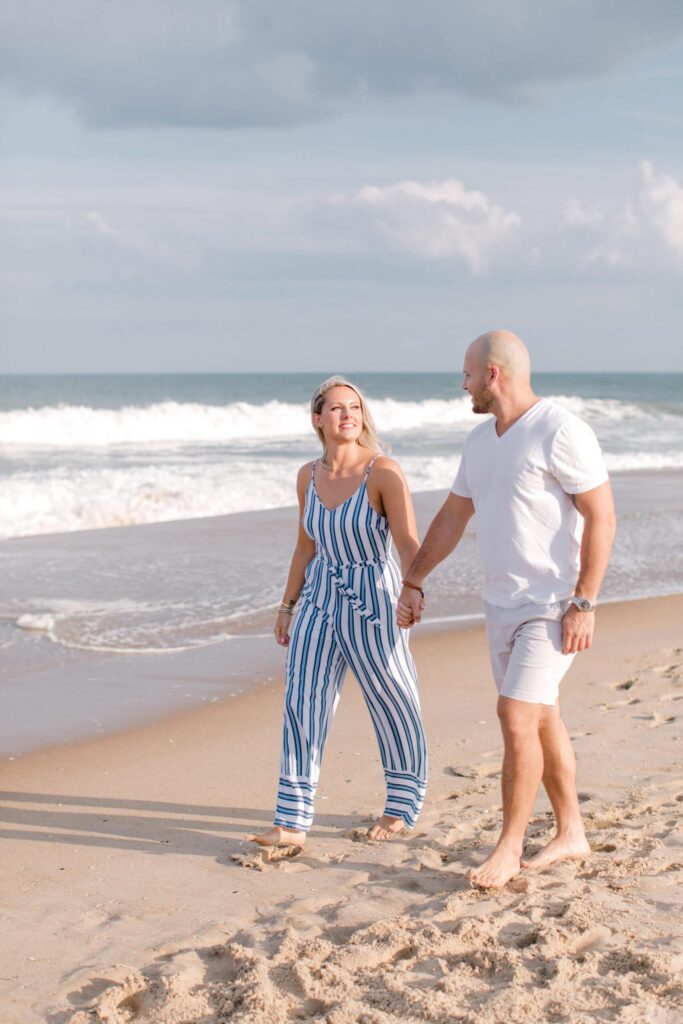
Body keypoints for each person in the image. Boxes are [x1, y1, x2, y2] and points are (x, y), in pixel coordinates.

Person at [397, 331, 616, 888]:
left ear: (493, 374)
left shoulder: (560, 429)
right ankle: (571, 832)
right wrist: (414, 579)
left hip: (552, 605)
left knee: (515, 714)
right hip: (500, 605)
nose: (463, 384)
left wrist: (584, 601)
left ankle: (509, 847)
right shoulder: (479, 440)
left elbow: (602, 516)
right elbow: (452, 518)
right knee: (541, 718)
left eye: (467, 374)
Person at [253, 376, 428, 849]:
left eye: (354, 407)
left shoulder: (383, 472)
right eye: (336, 408)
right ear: (318, 419)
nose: (347, 414)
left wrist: (413, 587)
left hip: (374, 598)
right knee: (302, 702)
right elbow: (304, 546)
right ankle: (291, 822)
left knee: (393, 698)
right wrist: (287, 606)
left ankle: (401, 804)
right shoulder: (307, 476)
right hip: (318, 597)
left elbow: (407, 539)